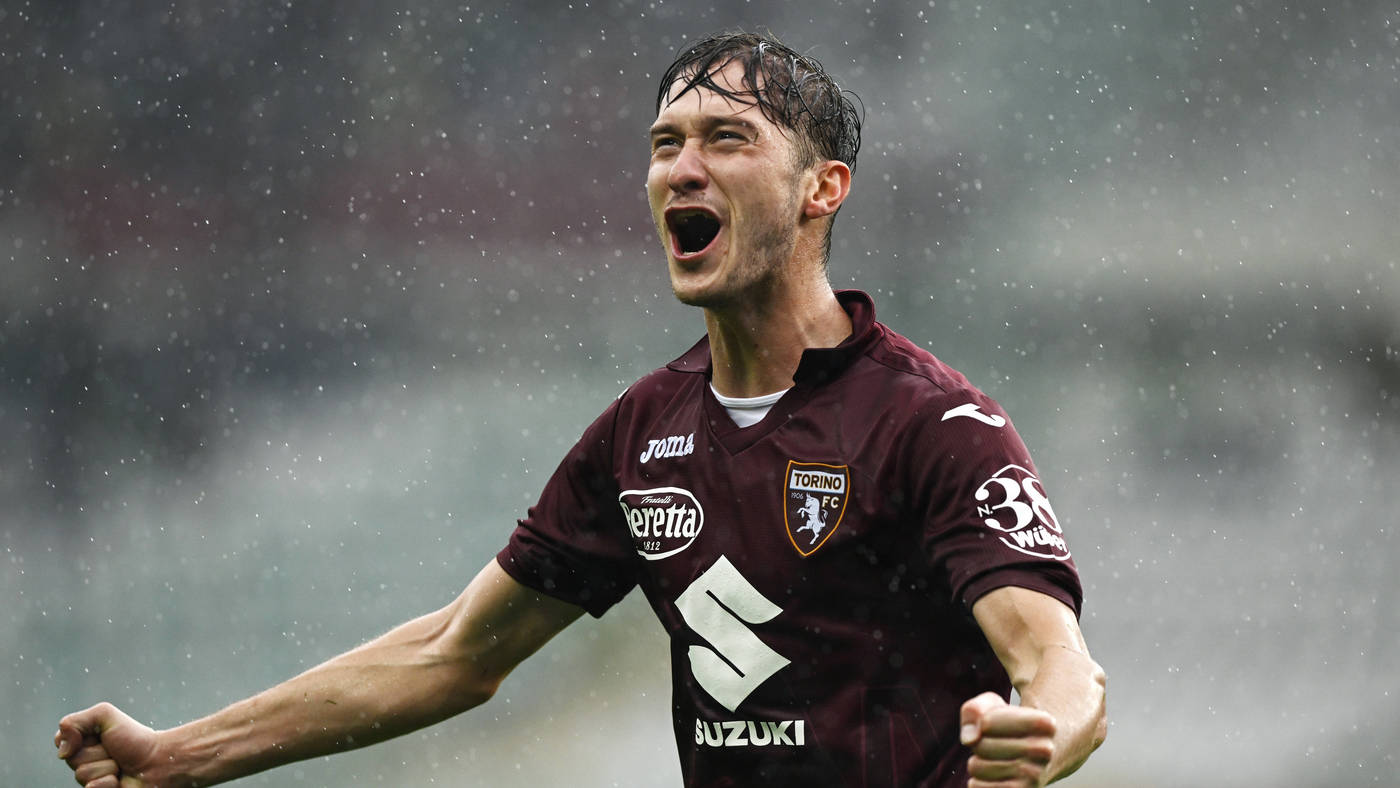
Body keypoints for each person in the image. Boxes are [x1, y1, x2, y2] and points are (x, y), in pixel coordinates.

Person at [55, 30, 1106, 788]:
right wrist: (179, 755)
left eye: (727, 138)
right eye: (664, 142)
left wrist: (1046, 732)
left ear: (820, 189)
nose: (681, 168)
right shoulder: (642, 435)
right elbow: (456, 652)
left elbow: (1058, 662)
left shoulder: (933, 425)